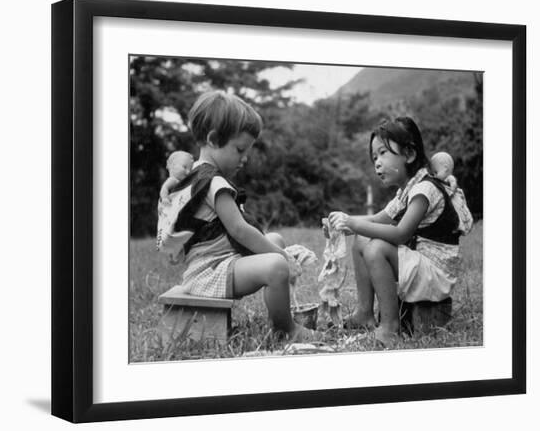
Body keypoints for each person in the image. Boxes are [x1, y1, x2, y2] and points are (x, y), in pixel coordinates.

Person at [161, 90, 319, 342]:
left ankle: (277, 317)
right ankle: (286, 330)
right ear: (213, 139)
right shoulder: (213, 183)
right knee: (276, 265)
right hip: (209, 272)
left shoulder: (198, 175)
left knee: (275, 239)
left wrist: (279, 249)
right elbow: (240, 230)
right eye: (239, 149)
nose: (244, 158)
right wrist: (284, 258)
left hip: (218, 263)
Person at [328, 117, 468, 347]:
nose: (377, 163)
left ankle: (390, 327)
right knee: (363, 238)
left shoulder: (424, 190)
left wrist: (353, 223)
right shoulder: (406, 190)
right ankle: (364, 313)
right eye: (374, 157)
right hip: (421, 263)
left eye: (383, 153)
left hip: (436, 272)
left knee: (377, 249)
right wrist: (343, 226)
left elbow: (401, 233)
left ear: (409, 155)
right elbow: (376, 220)